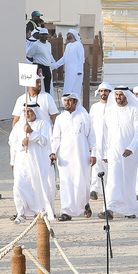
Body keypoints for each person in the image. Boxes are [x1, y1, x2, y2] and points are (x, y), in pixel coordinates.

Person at [98, 86, 138, 219]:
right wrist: (105, 153)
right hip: (113, 151)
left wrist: (131, 147)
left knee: (128, 181)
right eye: (116, 94)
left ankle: (130, 210)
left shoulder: (134, 110)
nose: (118, 97)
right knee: (113, 179)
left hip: (130, 153)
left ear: (126, 95)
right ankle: (109, 209)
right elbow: (105, 133)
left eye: (120, 94)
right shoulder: (110, 110)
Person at [52, 93, 96, 221]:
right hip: (65, 157)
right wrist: (53, 153)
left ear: (75, 102)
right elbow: (56, 138)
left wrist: (93, 153)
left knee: (83, 183)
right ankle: (66, 211)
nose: (66, 103)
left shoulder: (84, 117)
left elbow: (92, 137)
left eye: (69, 101)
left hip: (81, 156)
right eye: (65, 101)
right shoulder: (60, 118)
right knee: (66, 183)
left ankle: (85, 203)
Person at [9, 103, 56, 223]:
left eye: (29, 111)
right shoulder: (19, 125)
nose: (27, 114)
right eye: (25, 111)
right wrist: (22, 144)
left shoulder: (43, 124)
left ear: (35, 112)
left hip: (37, 162)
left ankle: (38, 213)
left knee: (36, 187)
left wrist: (31, 133)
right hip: (21, 162)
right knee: (18, 186)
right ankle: (21, 213)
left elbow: (45, 141)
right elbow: (12, 141)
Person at [89, 82, 112, 200]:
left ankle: (108, 191)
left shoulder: (113, 107)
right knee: (96, 166)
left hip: (110, 142)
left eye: (106, 91)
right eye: (101, 91)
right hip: (96, 142)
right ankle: (94, 190)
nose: (103, 93)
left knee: (108, 168)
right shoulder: (94, 107)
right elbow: (90, 125)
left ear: (109, 92)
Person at [51, 29, 85, 96]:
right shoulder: (68, 45)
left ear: (73, 35)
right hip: (68, 71)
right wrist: (54, 66)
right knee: (68, 87)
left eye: (69, 34)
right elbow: (64, 58)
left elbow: (81, 59)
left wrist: (80, 70)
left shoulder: (79, 45)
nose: (67, 35)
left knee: (75, 88)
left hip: (76, 72)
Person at [26, 27, 54, 93]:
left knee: (47, 87)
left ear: (48, 35)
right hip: (40, 68)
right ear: (40, 35)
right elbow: (28, 55)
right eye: (42, 34)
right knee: (40, 86)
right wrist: (36, 61)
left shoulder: (48, 44)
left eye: (45, 34)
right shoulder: (36, 44)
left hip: (47, 68)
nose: (44, 36)